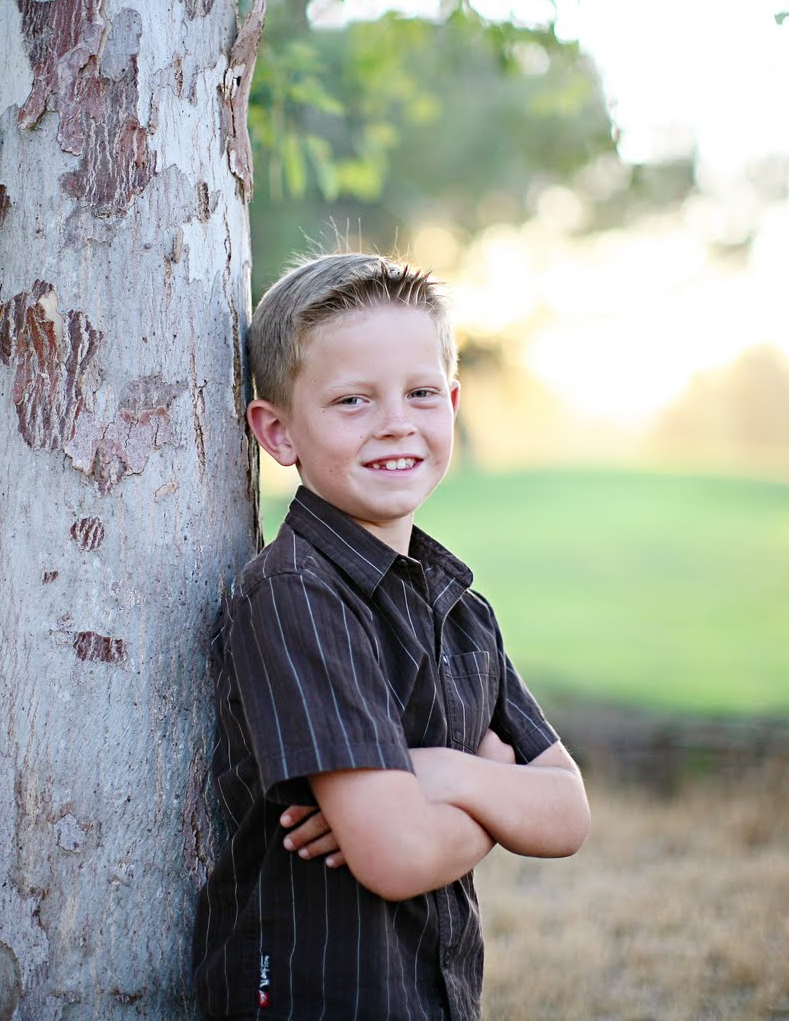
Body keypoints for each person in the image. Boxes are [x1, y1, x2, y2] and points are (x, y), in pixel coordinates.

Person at [192, 253, 590, 1021]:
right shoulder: (296, 595)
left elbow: (568, 813)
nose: (396, 423)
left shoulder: (462, 609)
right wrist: (493, 785)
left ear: (452, 403)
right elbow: (398, 855)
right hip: (318, 998)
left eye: (421, 393)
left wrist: (439, 773)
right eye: (352, 400)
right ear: (278, 431)